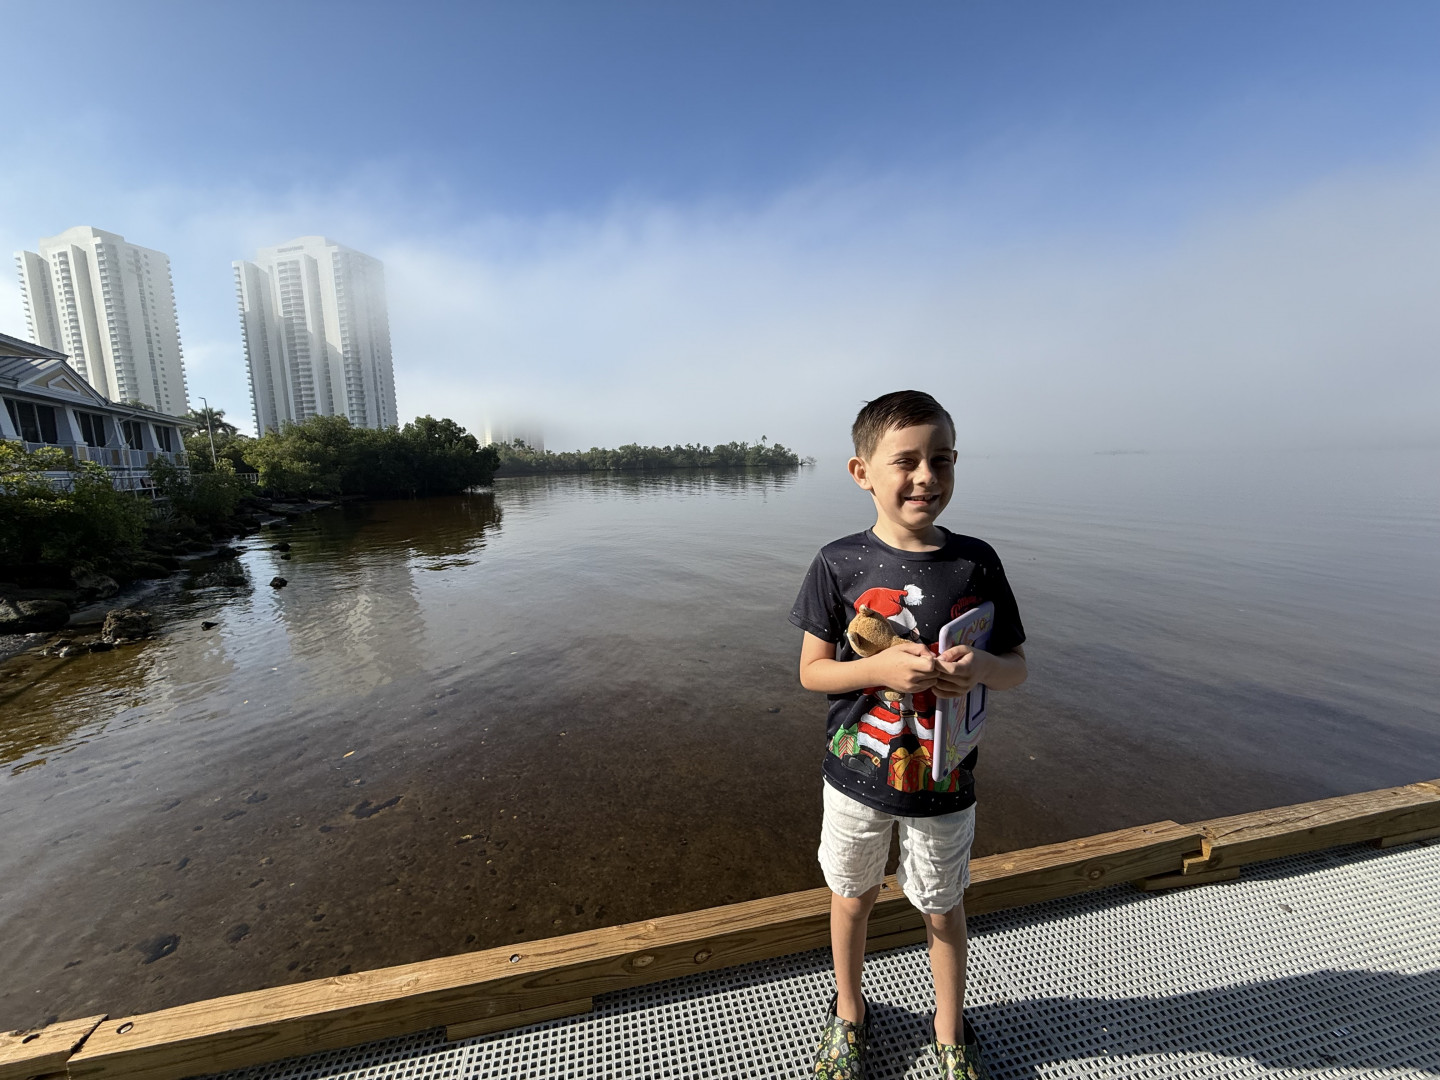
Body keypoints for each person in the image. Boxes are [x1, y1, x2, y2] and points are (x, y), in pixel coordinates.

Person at [790, 390, 1028, 1080]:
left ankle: (949, 1029)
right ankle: (849, 1011)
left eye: (941, 460)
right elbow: (812, 673)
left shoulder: (977, 562)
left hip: (945, 781)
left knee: (943, 906)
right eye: (906, 461)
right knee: (852, 897)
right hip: (854, 777)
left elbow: (1015, 667)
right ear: (861, 472)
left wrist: (981, 667)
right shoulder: (837, 563)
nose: (926, 477)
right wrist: (879, 668)